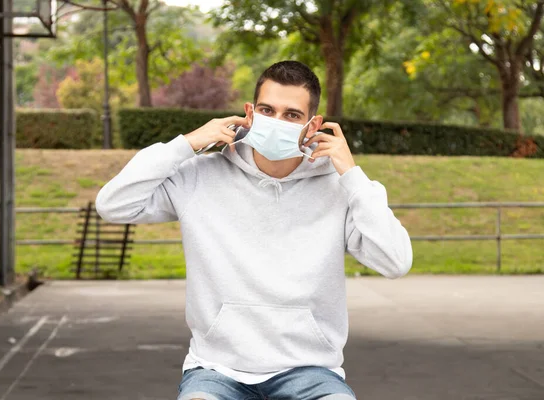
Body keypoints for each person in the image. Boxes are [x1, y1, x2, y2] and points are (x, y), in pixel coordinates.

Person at [96, 60, 413, 400]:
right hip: (216, 369)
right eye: (267, 110)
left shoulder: (342, 189)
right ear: (249, 113)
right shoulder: (200, 176)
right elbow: (113, 204)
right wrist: (186, 144)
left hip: (310, 370)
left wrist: (351, 173)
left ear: (313, 124)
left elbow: (395, 262)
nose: (276, 122)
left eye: (291, 115)